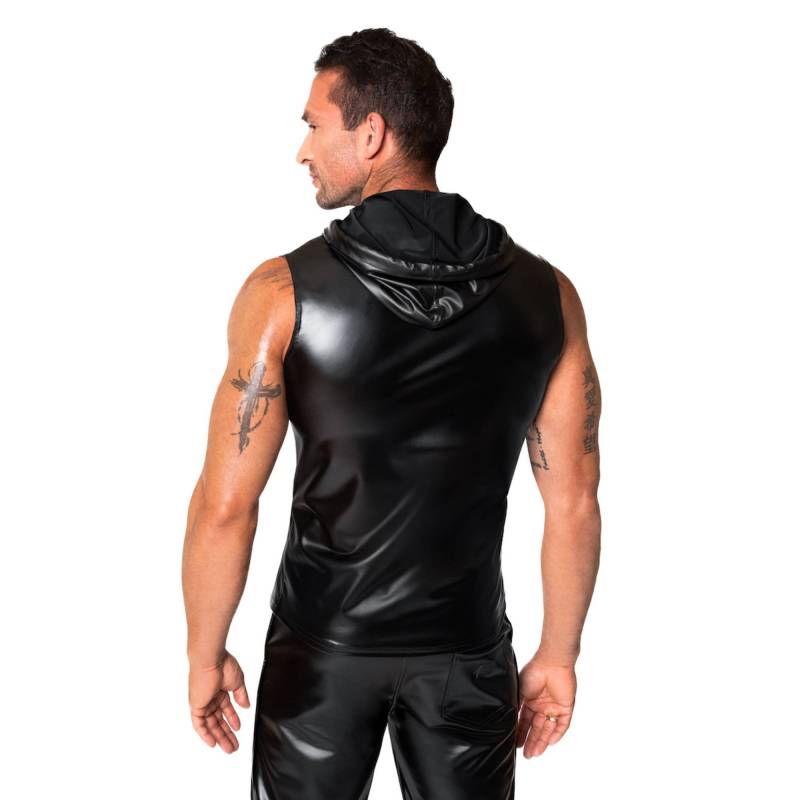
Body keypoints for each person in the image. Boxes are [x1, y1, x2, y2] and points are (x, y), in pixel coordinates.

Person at [181, 27, 602, 800]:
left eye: (315, 125)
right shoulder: (548, 296)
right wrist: (558, 654)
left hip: (322, 652)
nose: (302, 150)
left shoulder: (282, 294)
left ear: (371, 133)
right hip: (466, 651)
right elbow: (573, 499)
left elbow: (226, 505)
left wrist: (204, 654)